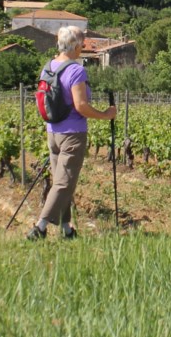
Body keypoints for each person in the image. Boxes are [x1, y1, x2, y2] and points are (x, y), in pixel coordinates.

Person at [28, 25, 118, 240]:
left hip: (53, 132)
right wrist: (106, 115)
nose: (84, 47)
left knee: (62, 181)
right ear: (76, 45)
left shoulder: (48, 67)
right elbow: (81, 106)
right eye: (83, 43)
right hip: (73, 133)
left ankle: (66, 229)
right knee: (64, 182)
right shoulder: (76, 70)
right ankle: (39, 227)